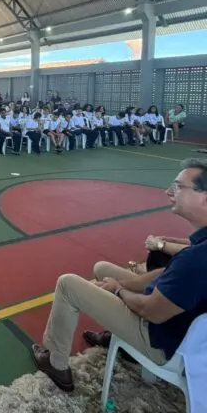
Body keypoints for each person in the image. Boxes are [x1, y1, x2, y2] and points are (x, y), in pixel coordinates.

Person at [31, 158, 207, 392]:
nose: (168, 191)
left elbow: (151, 311)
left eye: (178, 186)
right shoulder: (198, 248)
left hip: (160, 341)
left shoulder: (195, 260)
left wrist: (117, 289)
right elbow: (164, 272)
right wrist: (124, 281)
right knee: (102, 267)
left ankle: (56, 363)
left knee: (68, 285)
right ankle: (115, 338)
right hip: (181, 330)